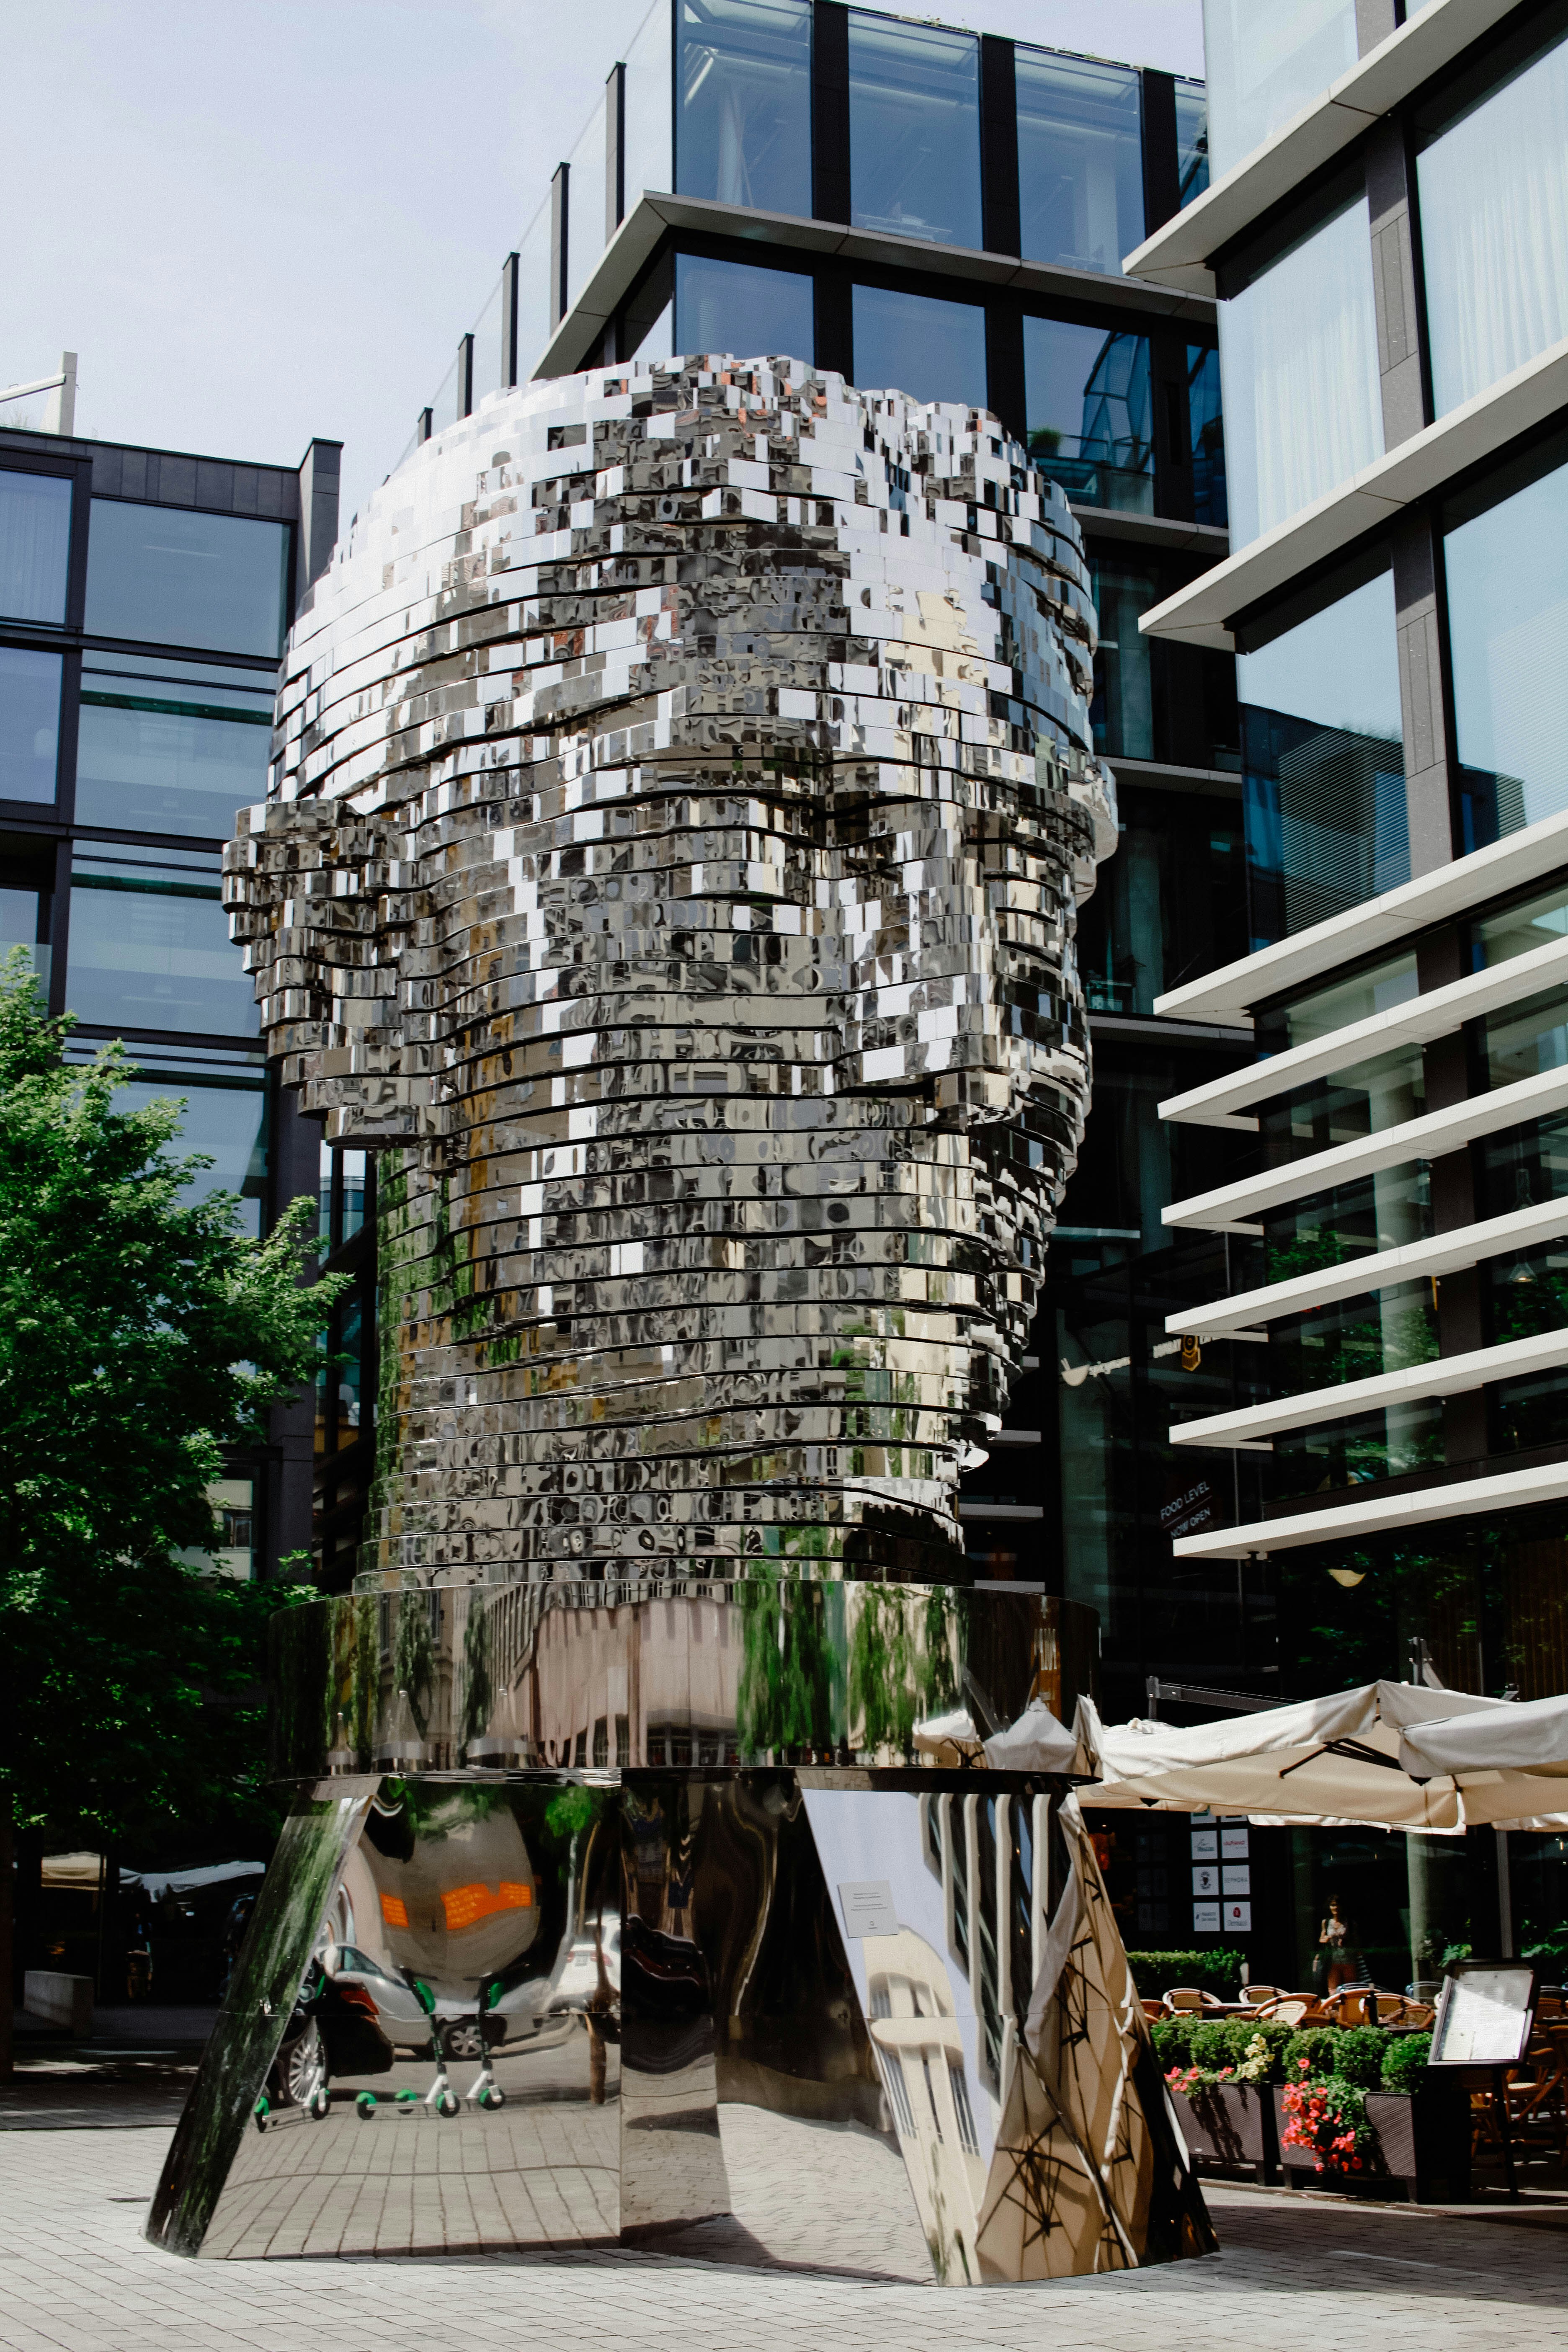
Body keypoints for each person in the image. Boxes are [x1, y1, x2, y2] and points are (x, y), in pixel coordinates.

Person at [1317, 1896, 1359, 1992]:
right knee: (1333, 1991)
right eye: (1333, 1905)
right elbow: (1321, 1939)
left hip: (1348, 1961)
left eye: (1338, 1905)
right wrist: (1326, 1940)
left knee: (1350, 1992)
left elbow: (1357, 1942)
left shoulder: (1350, 1923)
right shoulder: (1326, 1922)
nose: (1336, 1908)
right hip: (1332, 1962)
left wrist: (1348, 1942)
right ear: (1329, 1907)